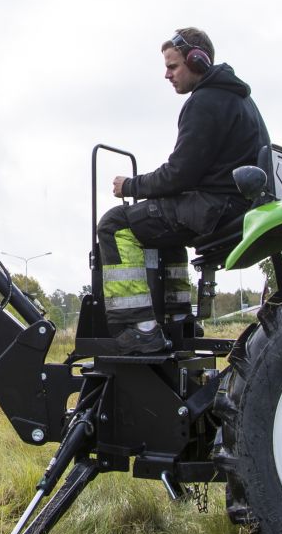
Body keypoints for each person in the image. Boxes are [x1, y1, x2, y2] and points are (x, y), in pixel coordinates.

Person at [98, 27, 270, 354]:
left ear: (198, 61)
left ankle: (140, 327)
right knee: (165, 225)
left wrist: (130, 186)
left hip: (212, 209)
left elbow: (179, 174)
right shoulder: (241, 100)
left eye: (173, 66)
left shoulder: (204, 101)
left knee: (114, 224)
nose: (167, 75)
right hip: (232, 207)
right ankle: (179, 317)